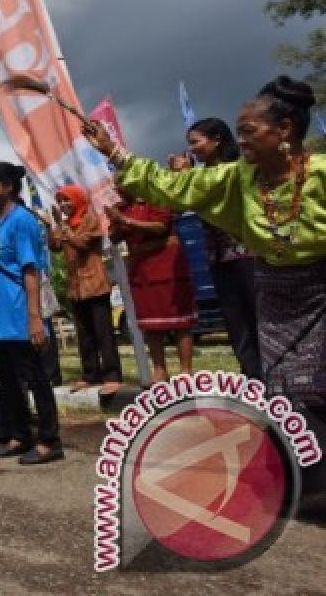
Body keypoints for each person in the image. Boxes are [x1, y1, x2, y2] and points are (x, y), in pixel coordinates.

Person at [86, 76, 324, 476]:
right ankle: (311, 480)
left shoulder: (319, 174)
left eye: (249, 131)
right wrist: (115, 152)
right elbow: (173, 186)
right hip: (275, 293)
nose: (241, 141)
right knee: (286, 385)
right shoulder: (237, 177)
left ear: (284, 131)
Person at [0, 162, 63, 465]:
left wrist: (34, 317)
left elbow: (31, 271)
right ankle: (19, 435)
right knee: (8, 382)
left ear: (8, 186)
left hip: (20, 317)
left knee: (36, 379)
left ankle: (49, 440)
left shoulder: (22, 221)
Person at [170, 118, 263, 379]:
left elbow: (217, 197)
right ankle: (253, 381)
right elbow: (178, 206)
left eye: (195, 142)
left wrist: (188, 177)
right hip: (217, 258)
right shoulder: (198, 175)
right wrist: (180, 180)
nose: (192, 149)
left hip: (248, 255)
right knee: (236, 323)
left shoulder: (237, 168)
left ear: (217, 139)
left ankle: (276, 381)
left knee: (258, 318)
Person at [107, 192, 197, 381]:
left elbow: (160, 227)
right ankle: (159, 369)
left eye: (122, 182)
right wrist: (115, 221)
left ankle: (186, 371)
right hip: (141, 271)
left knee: (180, 322)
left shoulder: (156, 198)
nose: (118, 187)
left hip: (166, 266)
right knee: (151, 324)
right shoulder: (122, 207)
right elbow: (114, 238)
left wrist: (126, 221)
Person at [49, 185, 122, 397]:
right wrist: (51, 225)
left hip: (95, 284)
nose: (63, 205)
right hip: (76, 287)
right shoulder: (65, 225)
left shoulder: (90, 218)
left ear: (78, 200)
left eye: (67, 200)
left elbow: (80, 243)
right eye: (61, 201)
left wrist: (63, 226)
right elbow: (53, 246)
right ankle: (91, 375)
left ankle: (112, 376)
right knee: (85, 335)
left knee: (103, 333)